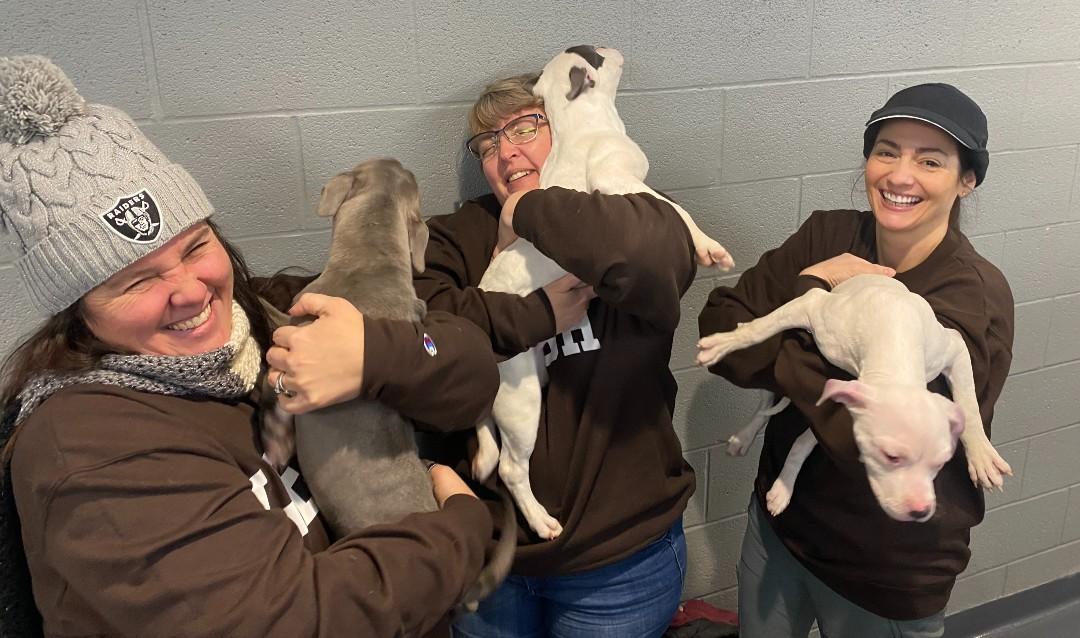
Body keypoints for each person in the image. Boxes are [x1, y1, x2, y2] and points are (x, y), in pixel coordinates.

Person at [0, 55, 500, 638]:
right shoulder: (91, 450)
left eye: (194, 247)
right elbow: (298, 621)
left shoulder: (262, 315)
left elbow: (467, 359)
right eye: (135, 280)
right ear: (77, 305)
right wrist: (462, 530)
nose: (190, 291)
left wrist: (379, 356)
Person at [698, 83, 1014, 637]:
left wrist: (798, 319)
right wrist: (817, 280)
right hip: (781, 527)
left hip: (888, 568)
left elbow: (857, 438)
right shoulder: (828, 235)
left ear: (967, 181)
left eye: (930, 160)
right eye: (886, 151)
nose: (899, 175)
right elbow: (721, 337)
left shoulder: (971, 297)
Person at [411, 73, 697, 638]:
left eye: (524, 127)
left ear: (563, 128)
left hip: (620, 562)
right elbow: (420, 342)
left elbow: (652, 259)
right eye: (488, 144)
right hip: (494, 559)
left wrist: (529, 212)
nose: (506, 151)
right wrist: (537, 314)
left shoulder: (627, 215)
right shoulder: (453, 238)